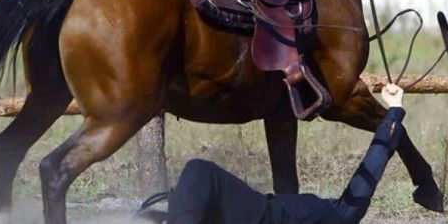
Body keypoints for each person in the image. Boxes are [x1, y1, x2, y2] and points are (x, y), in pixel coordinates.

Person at [137, 84, 406, 224]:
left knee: (199, 172)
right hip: (220, 205)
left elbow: (369, 172)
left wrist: (394, 111)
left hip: (222, 201)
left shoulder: (341, 216)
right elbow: (367, 175)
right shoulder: (339, 215)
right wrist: (393, 110)